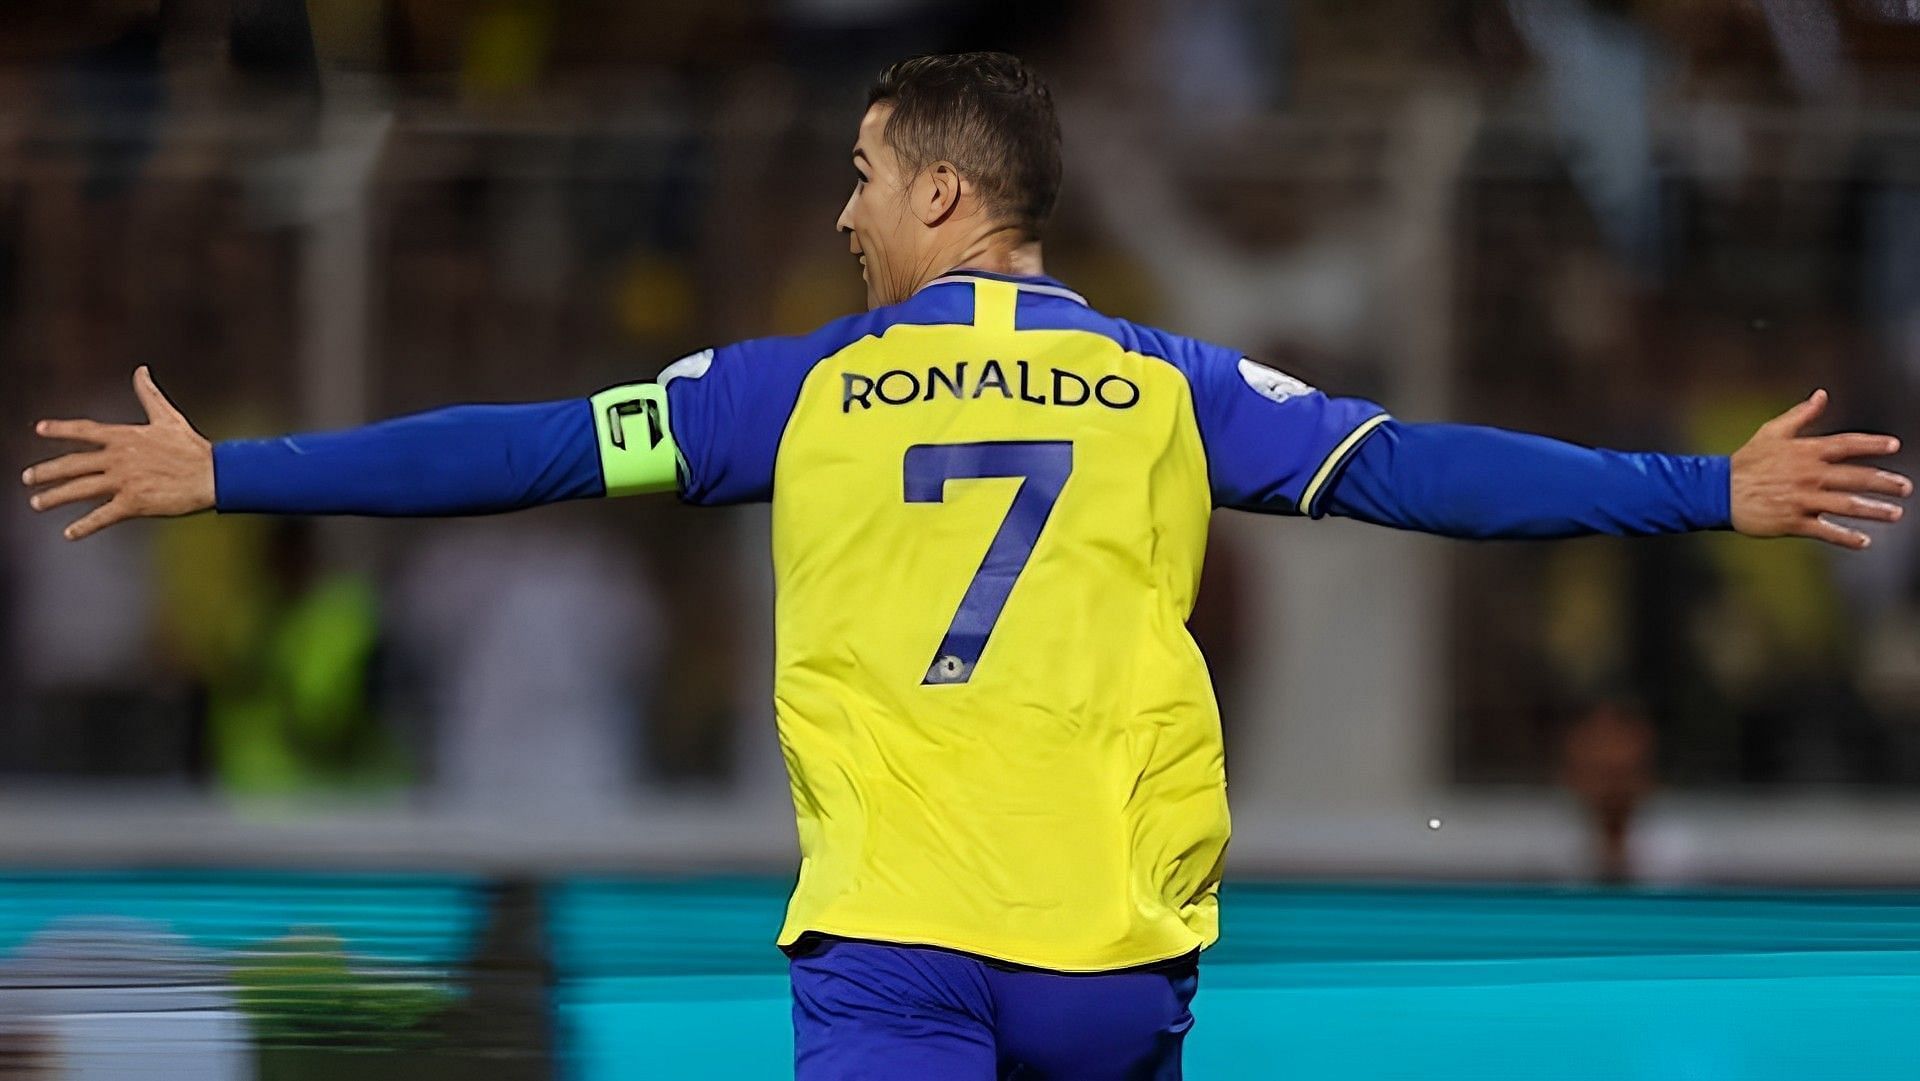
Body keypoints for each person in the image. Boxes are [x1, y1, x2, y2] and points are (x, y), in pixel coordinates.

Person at [19, 52, 1911, 1080]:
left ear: (943, 190)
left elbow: (519, 447)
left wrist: (232, 473)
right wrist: (1698, 486)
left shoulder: (794, 391)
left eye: (860, 174)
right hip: (1113, 953)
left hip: (898, 944)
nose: (839, 210)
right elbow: (1422, 471)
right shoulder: (1174, 385)